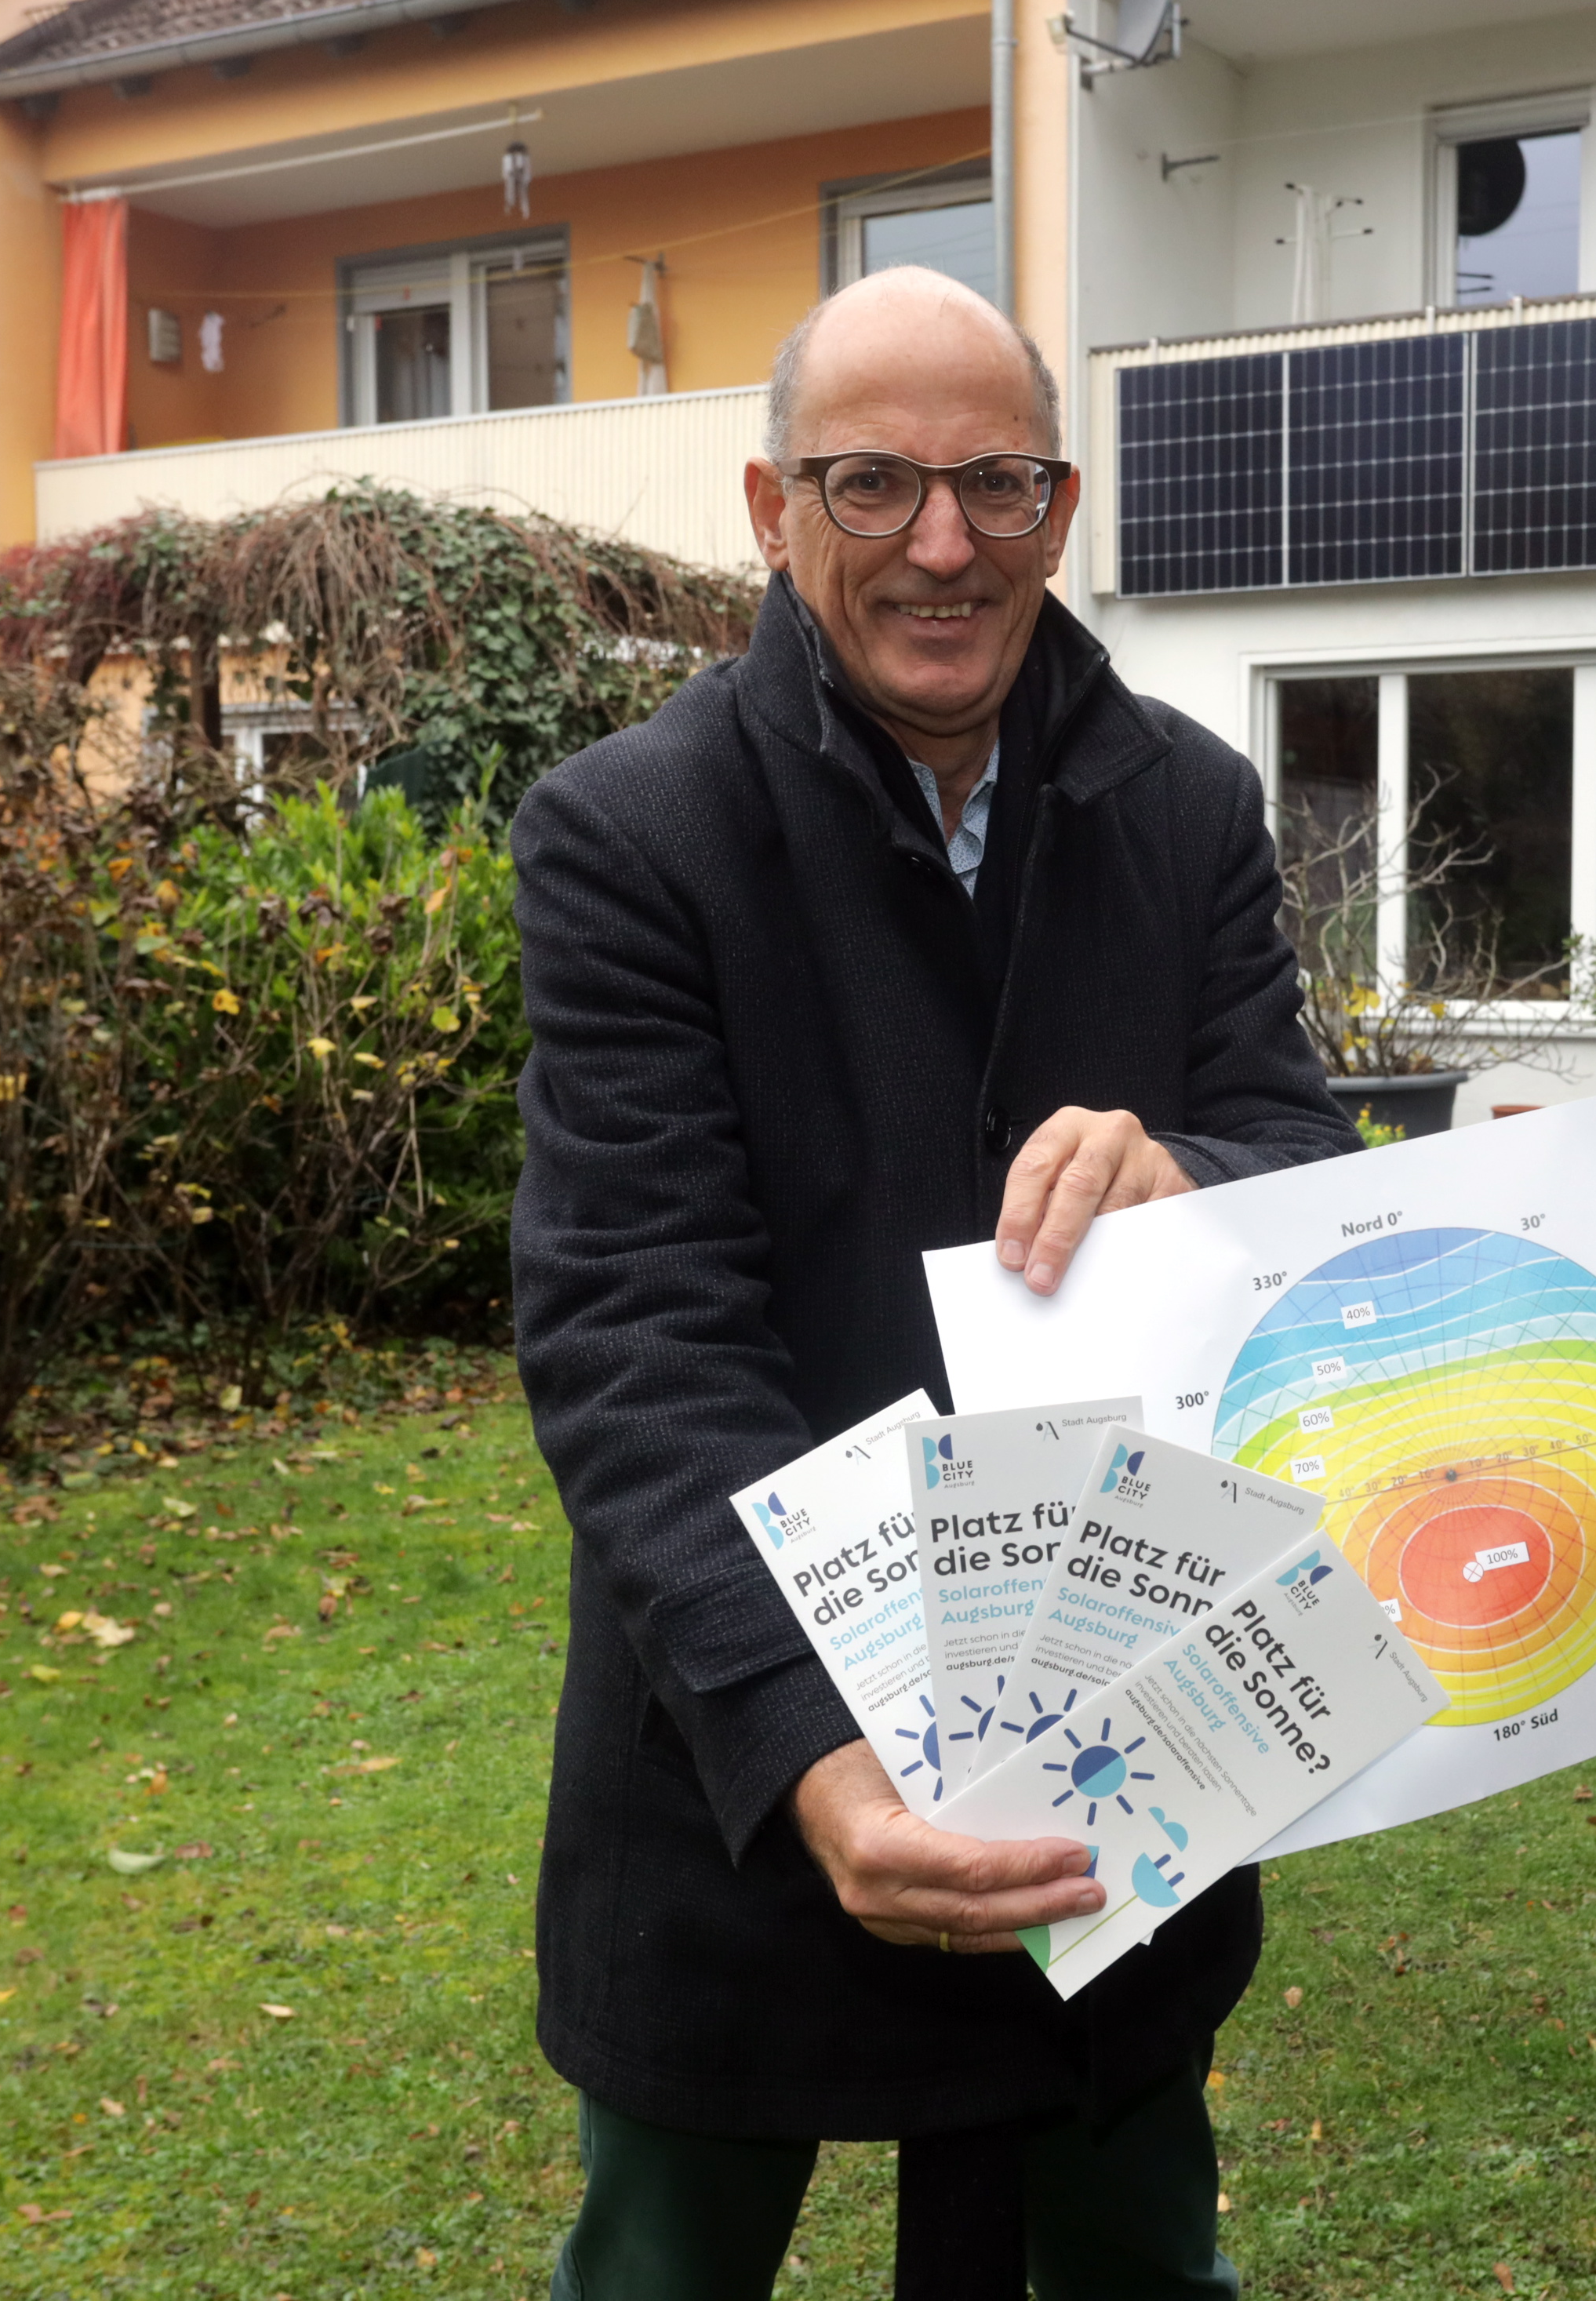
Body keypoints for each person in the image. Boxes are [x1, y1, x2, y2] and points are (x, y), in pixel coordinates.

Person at [508, 266, 1356, 2299]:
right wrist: (812, 1744)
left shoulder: (1185, 803)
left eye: (997, 484)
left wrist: (1194, 1180)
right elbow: (637, 1329)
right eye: (871, 483)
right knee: (668, 2270)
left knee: (1125, 2261)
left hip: (1112, 1725)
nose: (944, 543)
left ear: (1062, 505)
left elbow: (1296, 1186)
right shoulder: (631, 833)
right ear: (767, 503)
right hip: (743, 1744)